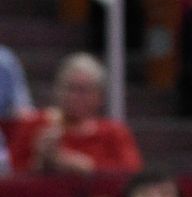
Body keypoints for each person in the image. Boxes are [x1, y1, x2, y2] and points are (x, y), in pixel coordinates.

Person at [6, 54, 141, 174]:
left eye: (84, 90)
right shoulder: (33, 125)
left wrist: (83, 166)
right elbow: (12, 175)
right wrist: (40, 159)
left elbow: (131, 173)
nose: (76, 96)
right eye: (70, 88)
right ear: (57, 90)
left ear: (100, 96)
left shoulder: (114, 132)